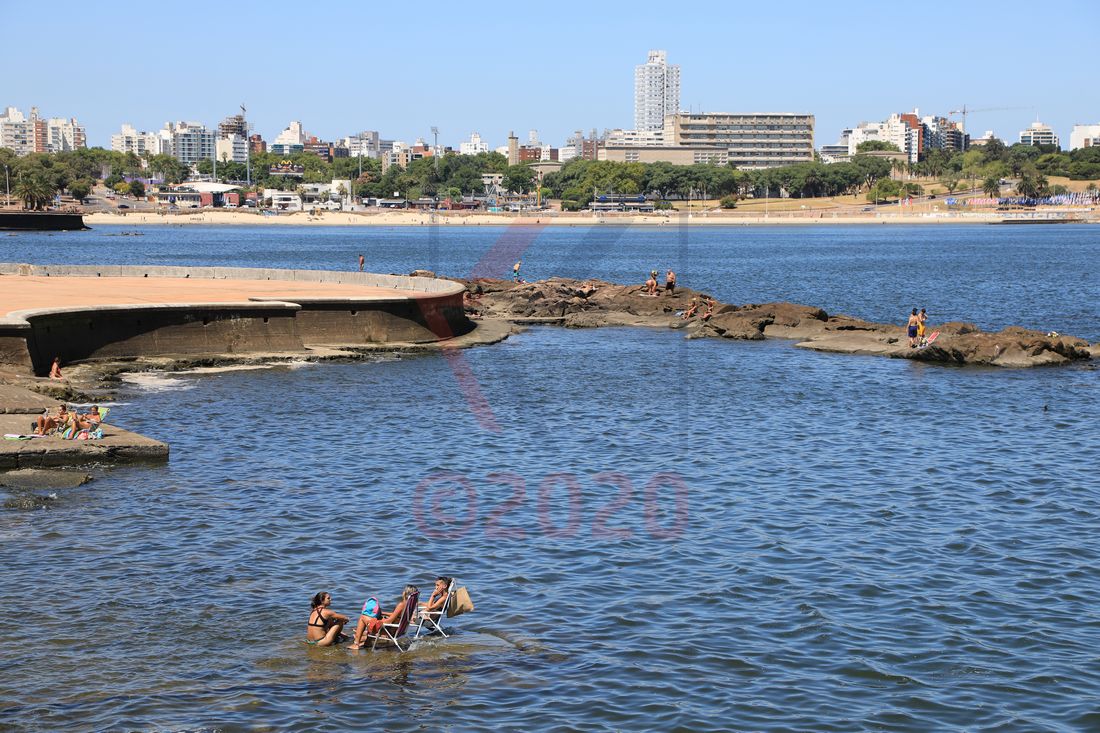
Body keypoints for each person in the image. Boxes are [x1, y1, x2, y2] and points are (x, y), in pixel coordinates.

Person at [349, 584, 418, 649]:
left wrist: (378, 621)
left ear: (405, 593)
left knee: (363, 617)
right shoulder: (409, 605)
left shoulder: (401, 605)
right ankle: (368, 642)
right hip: (400, 630)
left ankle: (356, 644)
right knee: (377, 617)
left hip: (390, 631)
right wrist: (382, 613)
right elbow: (397, 616)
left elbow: (389, 621)